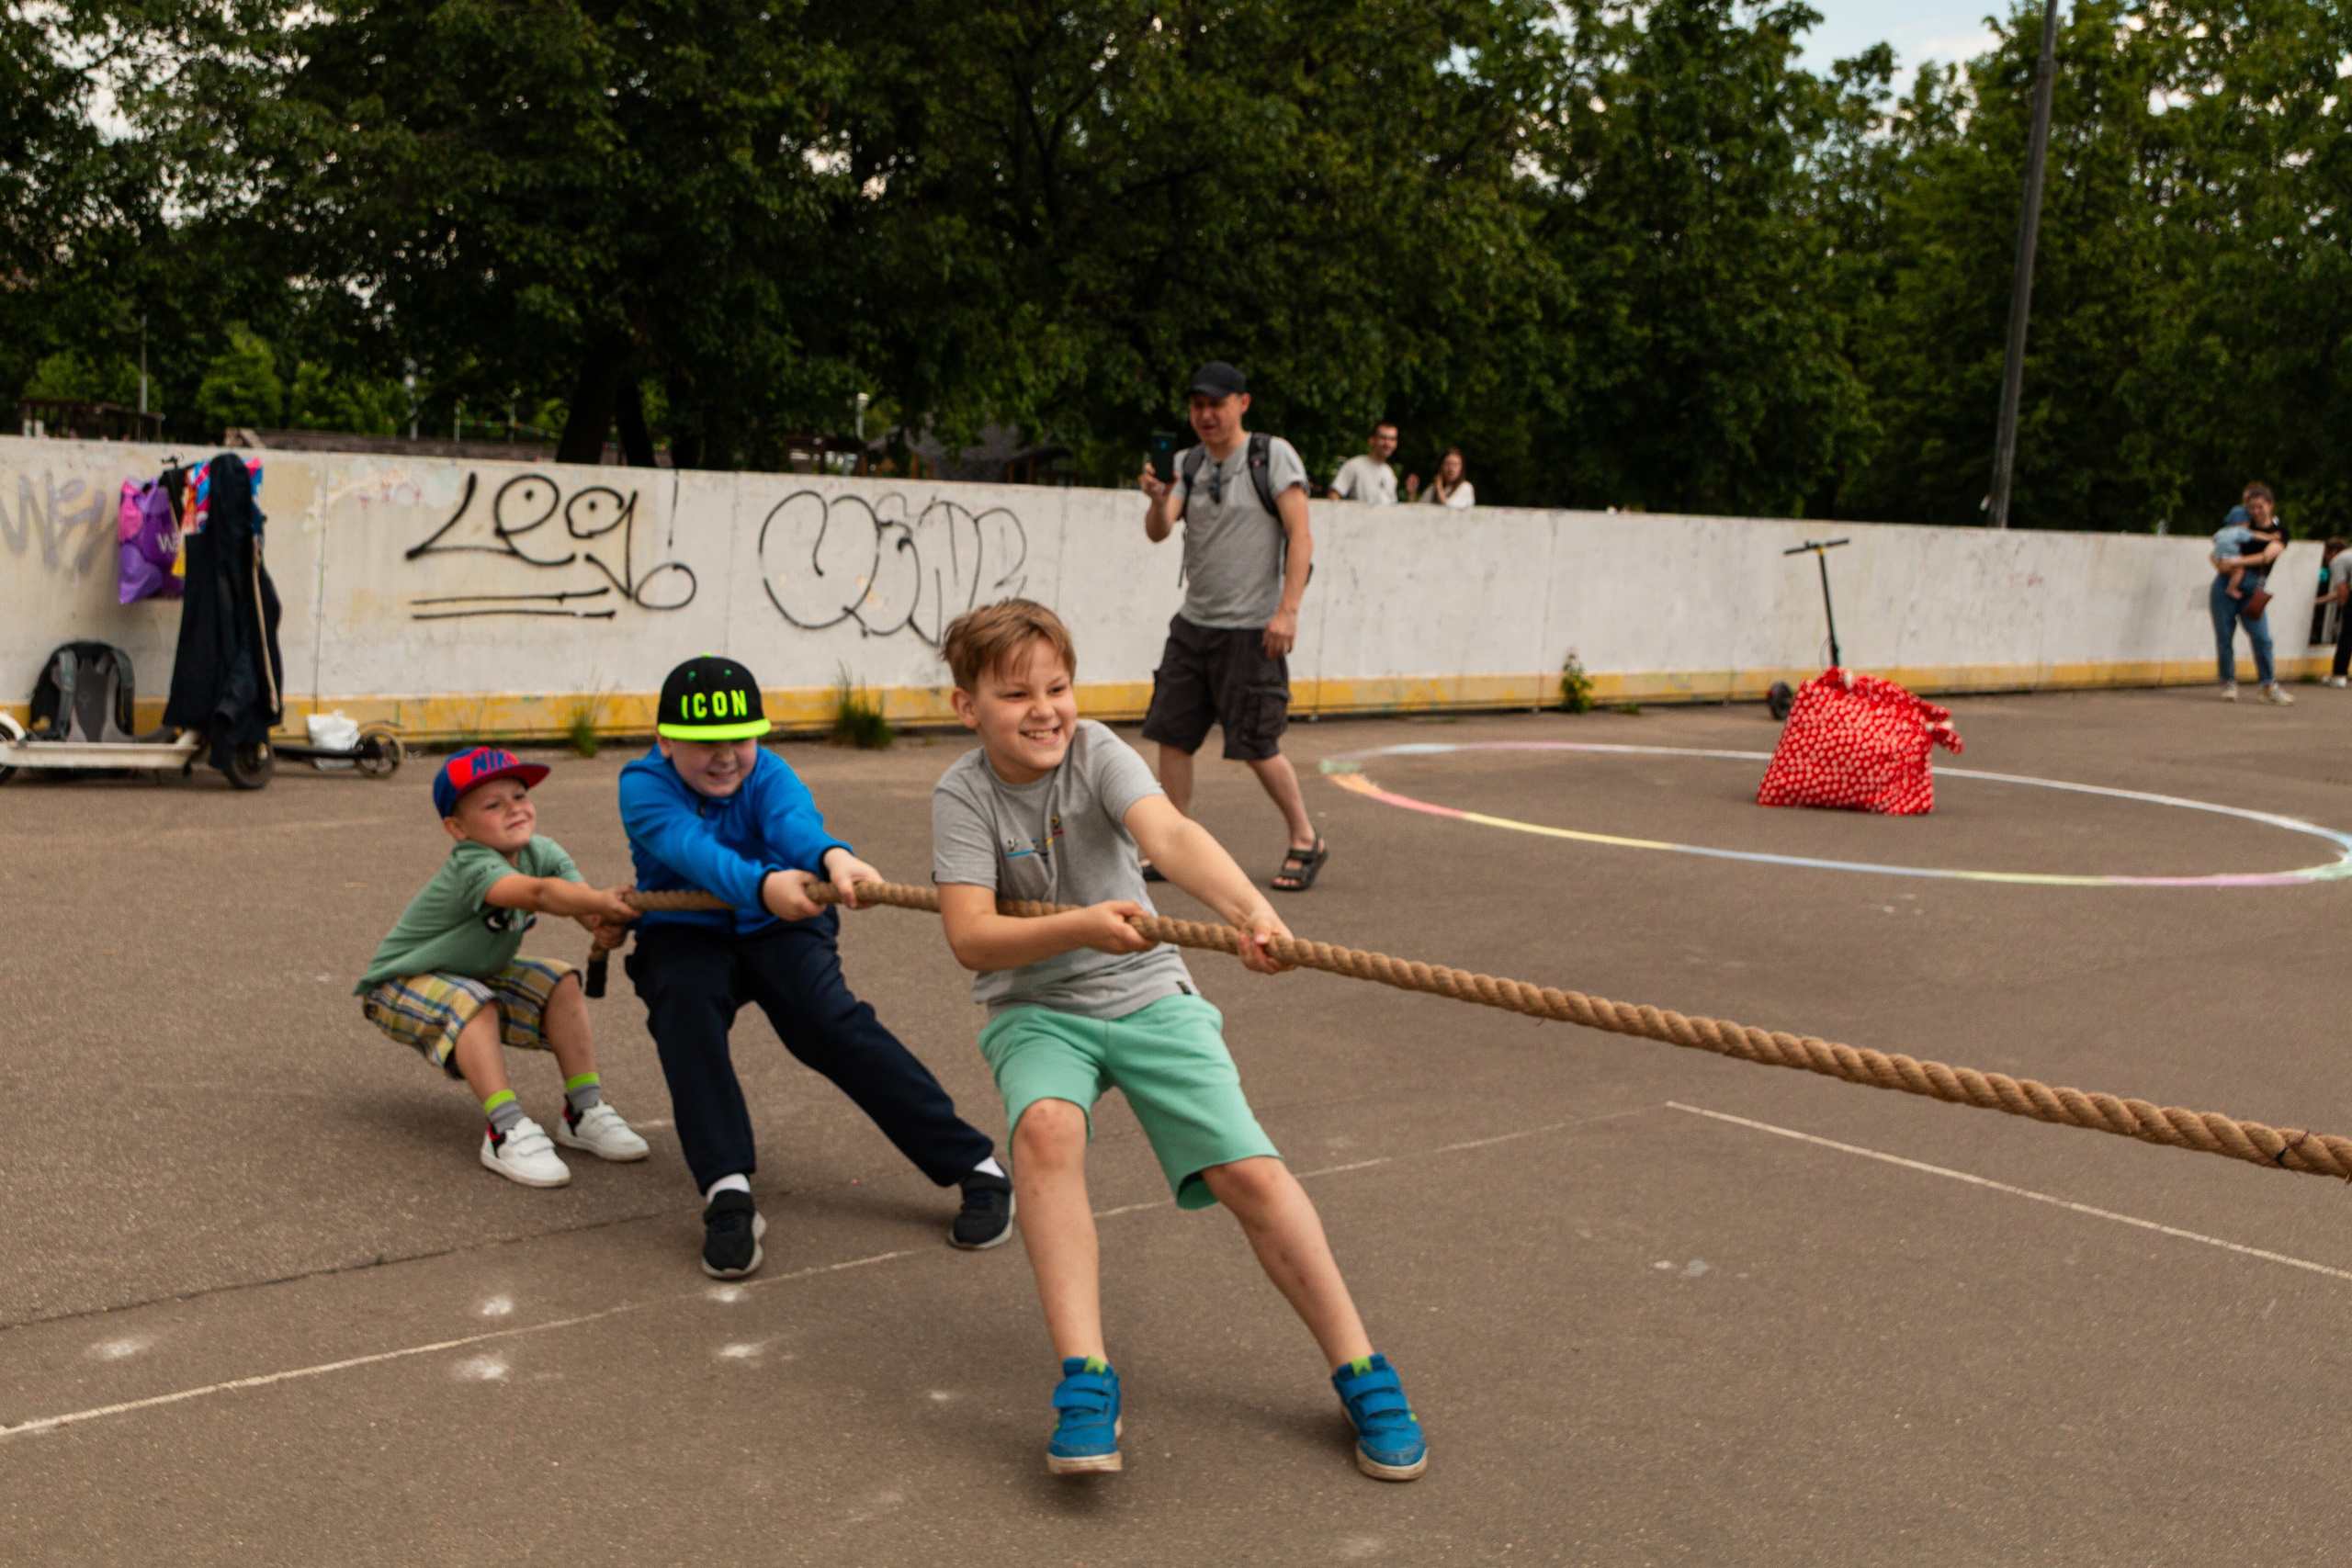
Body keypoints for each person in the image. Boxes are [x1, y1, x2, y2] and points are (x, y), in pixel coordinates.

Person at [931, 598, 1429, 1483]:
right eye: (1016, 695)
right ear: (967, 706)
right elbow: (972, 936)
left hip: (1146, 985)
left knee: (1250, 1170)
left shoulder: (1098, 753)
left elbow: (1170, 832)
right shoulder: (961, 793)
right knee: (1047, 1128)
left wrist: (1250, 910)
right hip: (1036, 1004)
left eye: (1058, 686)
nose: (1045, 709)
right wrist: (1079, 925)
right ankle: (1086, 1379)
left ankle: (1362, 1368)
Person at [617, 655, 1012, 1278]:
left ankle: (975, 1165)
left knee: (829, 1024)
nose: (725, 757)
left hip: (783, 923)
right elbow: (689, 850)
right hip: (687, 929)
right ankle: (727, 1190)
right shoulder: (641, 785)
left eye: (740, 739)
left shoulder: (769, 774)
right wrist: (765, 881)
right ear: (665, 740)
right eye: (703, 744)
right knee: (684, 1009)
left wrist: (832, 857)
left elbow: (793, 823)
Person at [357, 747, 652, 1189]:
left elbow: (586, 907)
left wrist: (608, 922)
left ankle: (583, 1109)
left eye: (519, 795)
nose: (514, 808)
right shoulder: (472, 865)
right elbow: (540, 896)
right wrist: (598, 900)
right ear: (458, 828)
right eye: (493, 805)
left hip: (472, 974)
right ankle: (504, 1128)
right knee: (475, 1003)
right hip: (398, 986)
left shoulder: (544, 851)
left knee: (561, 980)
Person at [1134, 362, 1329, 893]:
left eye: (1216, 404)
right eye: (1197, 405)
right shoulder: (1188, 462)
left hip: (1252, 630)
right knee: (1171, 735)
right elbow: (1159, 531)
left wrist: (1287, 611)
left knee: (1257, 744)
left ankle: (1305, 837)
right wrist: (1156, 498)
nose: (1205, 415)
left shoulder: (1271, 456)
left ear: (1242, 403)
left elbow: (1300, 534)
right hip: (1194, 624)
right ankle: (1172, 843)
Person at [2209, 482, 2291, 705]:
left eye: (2260, 506)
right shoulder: (2242, 526)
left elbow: (2267, 556)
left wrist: (2236, 562)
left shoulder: (2280, 532)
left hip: (2253, 586)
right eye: (2252, 507)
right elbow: (2216, 550)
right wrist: (2220, 565)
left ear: (2270, 505)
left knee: (2262, 638)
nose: (2256, 511)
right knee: (2225, 636)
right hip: (2224, 583)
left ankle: (2268, 684)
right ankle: (2228, 681)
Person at [1328, 423, 1400, 504]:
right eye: (1383, 438)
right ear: (1371, 440)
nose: (1388, 443)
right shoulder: (1354, 465)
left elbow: (1393, 505)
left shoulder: (1389, 472)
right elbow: (1334, 495)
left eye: (1392, 439)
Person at [2324, 536, 2351, 688]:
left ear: (2333, 552)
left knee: (2347, 634)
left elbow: (2342, 590)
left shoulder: (2338, 560)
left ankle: (2339, 675)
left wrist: (2345, 609)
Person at [1410, 447, 1475, 509]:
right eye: (1448, 464)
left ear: (1461, 468)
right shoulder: (1432, 489)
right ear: (1441, 466)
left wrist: (1439, 487)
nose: (1451, 469)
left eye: (1455, 464)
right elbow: (1418, 510)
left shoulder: (1465, 488)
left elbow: (1449, 508)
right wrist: (1411, 493)